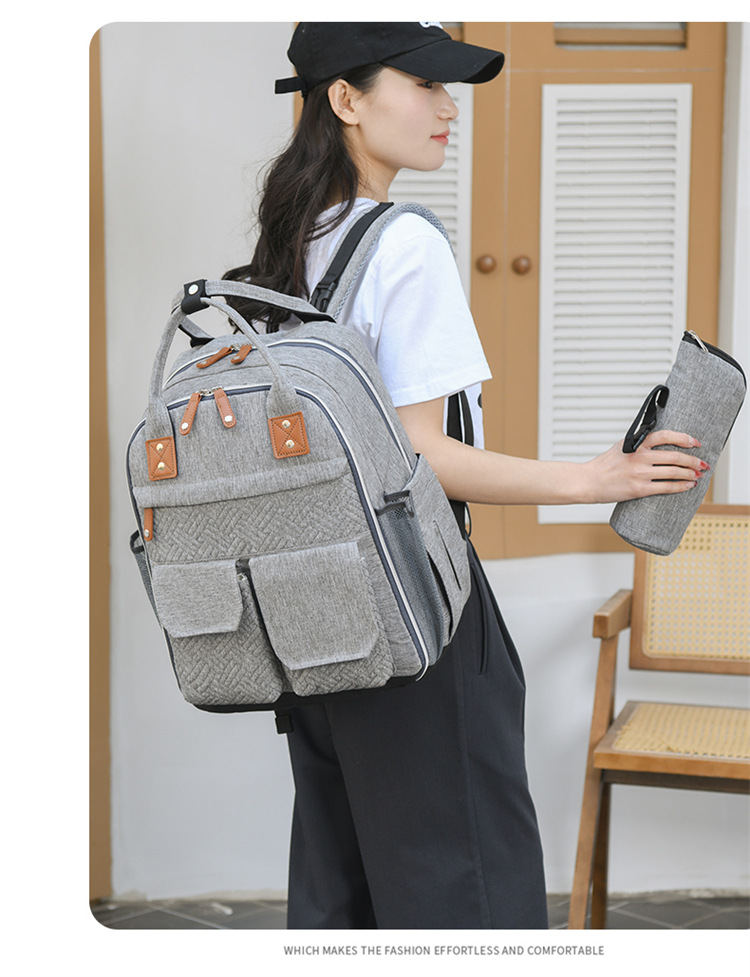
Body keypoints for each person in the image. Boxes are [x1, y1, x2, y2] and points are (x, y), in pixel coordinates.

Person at [224, 23, 707, 930]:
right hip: (413, 601)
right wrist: (594, 478)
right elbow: (423, 454)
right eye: (424, 85)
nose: (450, 107)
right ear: (346, 99)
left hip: (308, 610)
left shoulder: (289, 245)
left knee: (343, 892)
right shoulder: (402, 243)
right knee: (466, 894)